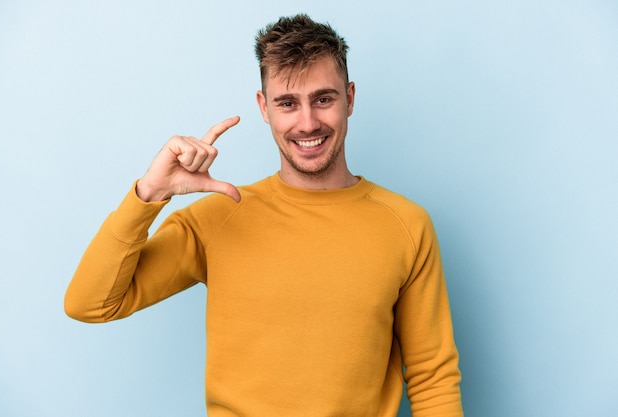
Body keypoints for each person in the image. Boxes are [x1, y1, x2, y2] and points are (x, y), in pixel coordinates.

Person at [65, 14, 463, 417]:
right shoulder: (219, 218)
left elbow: (433, 379)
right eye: (287, 103)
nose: (307, 123)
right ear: (264, 107)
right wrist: (147, 196)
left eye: (323, 99)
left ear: (350, 98)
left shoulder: (406, 225)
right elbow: (90, 303)